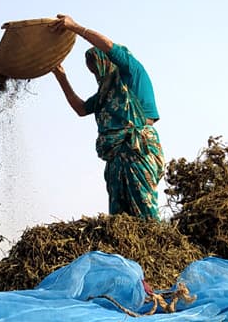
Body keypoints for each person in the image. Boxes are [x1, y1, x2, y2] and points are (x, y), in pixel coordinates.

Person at [50, 14, 164, 221]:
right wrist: (61, 77)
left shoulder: (130, 71)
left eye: (97, 68)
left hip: (137, 148)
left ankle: (159, 247)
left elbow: (108, 46)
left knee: (144, 211)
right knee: (120, 218)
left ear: (107, 62)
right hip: (115, 155)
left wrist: (75, 27)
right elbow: (81, 109)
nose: (96, 75)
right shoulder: (106, 93)